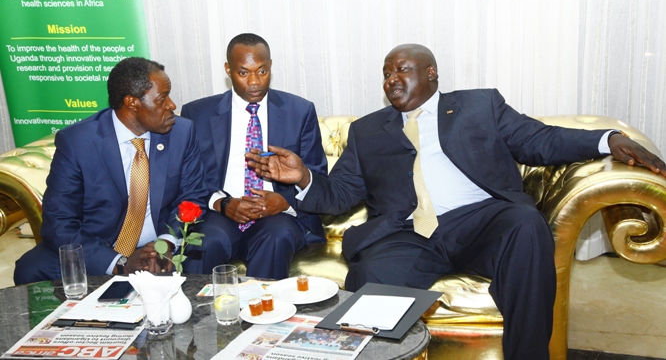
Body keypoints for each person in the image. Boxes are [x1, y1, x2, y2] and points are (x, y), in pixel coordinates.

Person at [246, 44, 666, 359]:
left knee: (525, 224)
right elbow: (338, 195)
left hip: (483, 221)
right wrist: (302, 177)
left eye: (402, 69)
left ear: (431, 73)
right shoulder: (368, 131)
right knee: (372, 274)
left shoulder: (478, 105)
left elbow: (541, 140)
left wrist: (609, 140)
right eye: (386, 73)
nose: (392, 78)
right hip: (407, 233)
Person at [14, 57, 209, 284]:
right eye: (162, 98)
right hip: (99, 246)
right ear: (132, 102)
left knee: (208, 245)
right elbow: (59, 221)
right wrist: (119, 263)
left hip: (158, 242)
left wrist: (165, 244)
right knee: (31, 268)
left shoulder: (182, 132)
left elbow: (193, 196)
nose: (172, 105)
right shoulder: (78, 142)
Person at [180, 33, 327, 278]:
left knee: (276, 237)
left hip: (278, 215)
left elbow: (317, 173)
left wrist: (286, 200)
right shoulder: (197, 114)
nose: (255, 82)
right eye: (243, 72)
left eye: (262, 71)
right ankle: (201, 313)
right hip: (222, 212)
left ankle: (264, 314)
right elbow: (189, 177)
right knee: (205, 242)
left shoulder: (299, 111)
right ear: (228, 70)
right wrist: (222, 203)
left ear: (271, 66)